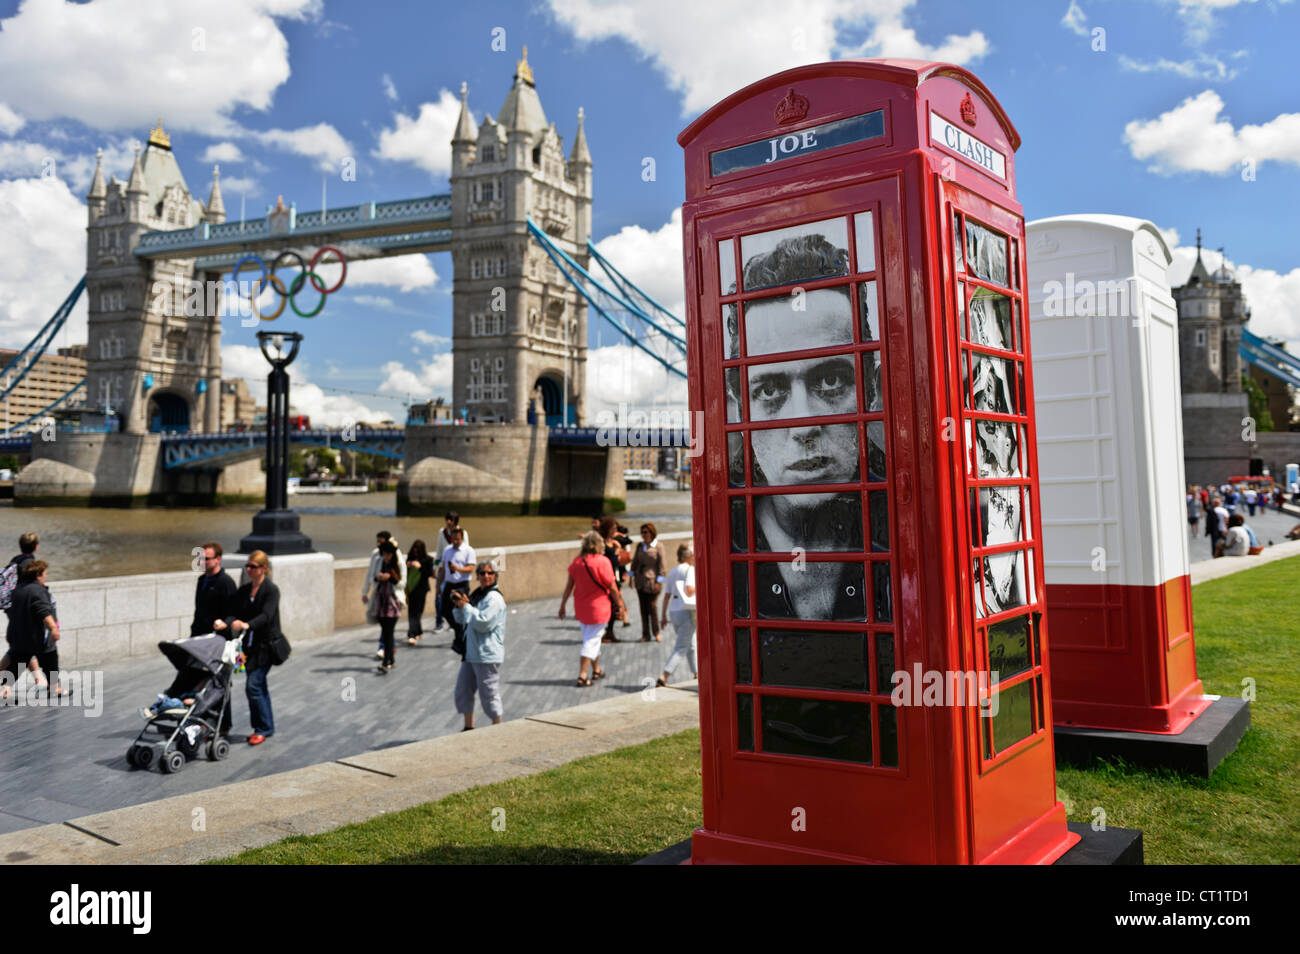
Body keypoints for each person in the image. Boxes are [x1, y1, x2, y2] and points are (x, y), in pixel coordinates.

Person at [725, 235, 875, 621]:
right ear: (740, 405)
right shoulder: (722, 533)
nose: (803, 424)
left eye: (830, 381)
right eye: (770, 390)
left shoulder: (912, 520)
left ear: (871, 387)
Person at [213, 550, 280, 745]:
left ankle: (261, 728)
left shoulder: (271, 590)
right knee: (259, 686)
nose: (249, 570)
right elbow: (233, 612)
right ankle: (266, 726)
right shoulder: (244, 591)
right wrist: (225, 623)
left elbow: (266, 616)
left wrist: (247, 625)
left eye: (253, 566)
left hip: (265, 646)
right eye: (247, 566)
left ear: (264, 568)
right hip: (248, 648)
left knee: (253, 686)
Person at [558, 530, 627, 687]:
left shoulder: (577, 562)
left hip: (581, 608)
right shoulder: (602, 562)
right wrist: (620, 605)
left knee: (591, 638)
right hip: (599, 608)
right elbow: (613, 587)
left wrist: (562, 605)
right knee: (591, 640)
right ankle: (583, 675)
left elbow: (569, 587)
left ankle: (596, 669)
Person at [450, 560, 506, 730]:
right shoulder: (477, 595)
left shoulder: (494, 598)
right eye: (482, 573)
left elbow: (483, 623)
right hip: (471, 652)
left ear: (495, 576)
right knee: (463, 690)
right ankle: (469, 727)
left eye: (490, 573)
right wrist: (459, 605)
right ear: (477, 576)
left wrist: (466, 607)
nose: (486, 576)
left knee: (488, 694)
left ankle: (498, 728)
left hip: (486, 654)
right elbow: (461, 619)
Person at [1, 560, 63, 699]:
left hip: (19, 636)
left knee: (17, 664)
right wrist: (53, 628)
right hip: (36, 637)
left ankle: (5, 689)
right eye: (45, 573)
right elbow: (43, 611)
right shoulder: (37, 591)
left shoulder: (18, 589)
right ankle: (55, 689)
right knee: (51, 661)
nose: (46, 576)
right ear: (38, 574)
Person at [0, 532, 43, 686]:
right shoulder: (31, 564)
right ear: (36, 547)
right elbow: (33, 588)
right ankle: (39, 680)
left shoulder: (15, 560)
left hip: (12, 606)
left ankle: (39, 680)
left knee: (21, 646)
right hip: (23, 608)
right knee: (24, 645)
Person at [656, 544, 697, 687]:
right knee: (681, 647)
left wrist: (663, 617)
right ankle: (664, 676)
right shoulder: (690, 570)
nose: (694, 557)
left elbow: (666, 596)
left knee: (691, 644)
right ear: (688, 556)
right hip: (686, 611)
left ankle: (697, 673)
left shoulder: (673, 571)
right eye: (693, 554)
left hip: (673, 612)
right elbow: (690, 590)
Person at [362, 530, 405, 659]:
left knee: (388, 628)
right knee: (386, 628)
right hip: (380, 597)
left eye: (381, 542)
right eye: (377, 542)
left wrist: (390, 578)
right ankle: (389, 650)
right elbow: (370, 575)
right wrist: (365, 591)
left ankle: (386, 652)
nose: (378, 544)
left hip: (392, 599)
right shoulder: (376, 556)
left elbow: (401, 581)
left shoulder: (397, 556)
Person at [438, 527, 476, 657]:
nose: (455, 541)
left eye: (458, 539)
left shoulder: (468, 550)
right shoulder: (447, 550)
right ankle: (458, 630)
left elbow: (471, 568)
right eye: (453, 539)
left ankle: (462, 636)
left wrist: (458, 568)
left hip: (462, 584)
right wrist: (438, 585)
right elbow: (443, 569)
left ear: (462, 538)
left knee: (461, 610)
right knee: (444, 610)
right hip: (449, 584)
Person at [630, 523, 666, 642]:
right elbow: (635, 562)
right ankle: (645, 635)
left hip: (652, 581)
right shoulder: (640, 546)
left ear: (651, 533)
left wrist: (659, 582)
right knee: (643, 609)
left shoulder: (658, 546)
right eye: (642, 532)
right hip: (640, 581)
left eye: (646, 532)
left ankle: (656, 632)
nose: (644, 534)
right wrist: (631, 577)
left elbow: (662, 566)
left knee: (653, 607)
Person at [192, 541, 237, 636]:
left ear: (218, 559)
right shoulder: (201, 580)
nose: (201, 562)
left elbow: (234, 612)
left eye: (206, 559)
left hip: (217, 636)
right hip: (198, 633)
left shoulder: (226, 582)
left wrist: (225, 623)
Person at [432, 513, 467, 632]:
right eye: (447, 519)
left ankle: (454, 623)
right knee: (438, 597)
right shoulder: (442, 533)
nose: (448, 522)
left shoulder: (463, 532)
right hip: (444, 569)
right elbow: (438, 551)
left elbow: (465, 550)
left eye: (451, 520)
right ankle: (439, 623)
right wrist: (435, 567)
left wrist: (460, 568)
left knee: (455, 598)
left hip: (457, 573)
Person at [597, 518, 631, 642]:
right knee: (606, 606)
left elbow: (628, 541)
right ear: (608, 529)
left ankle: (609, 631)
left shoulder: (613, 542)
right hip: (604, 578)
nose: (615, 531)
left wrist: (618, 549)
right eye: (614, 529)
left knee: (614, 605)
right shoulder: (601, 543)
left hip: (613, 576)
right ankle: (602, 632)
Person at [372, 541, 403, 672]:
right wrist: (379, 578)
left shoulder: (397, 564)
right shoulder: (380, 563)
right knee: (386, 632)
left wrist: (389, 577)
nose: (386, 556)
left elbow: (401, 582)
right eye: (384, 554)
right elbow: (373, 577)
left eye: (388, 554)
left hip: (392, 603)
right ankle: (391, 659)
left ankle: (386, 662)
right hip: (381, 602)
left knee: (388, 633)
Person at [405, 539, 433, 646]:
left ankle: (416, 632)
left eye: (418, 551)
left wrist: (420, 567)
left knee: (418, 611)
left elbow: (429, 573)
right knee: (412, 612)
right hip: (411, 588)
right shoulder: (410, 558)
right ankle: (412, 634)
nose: (416, 552)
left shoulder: (428, 559)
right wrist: (407, 565)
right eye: (414, 550)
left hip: (421, 589)